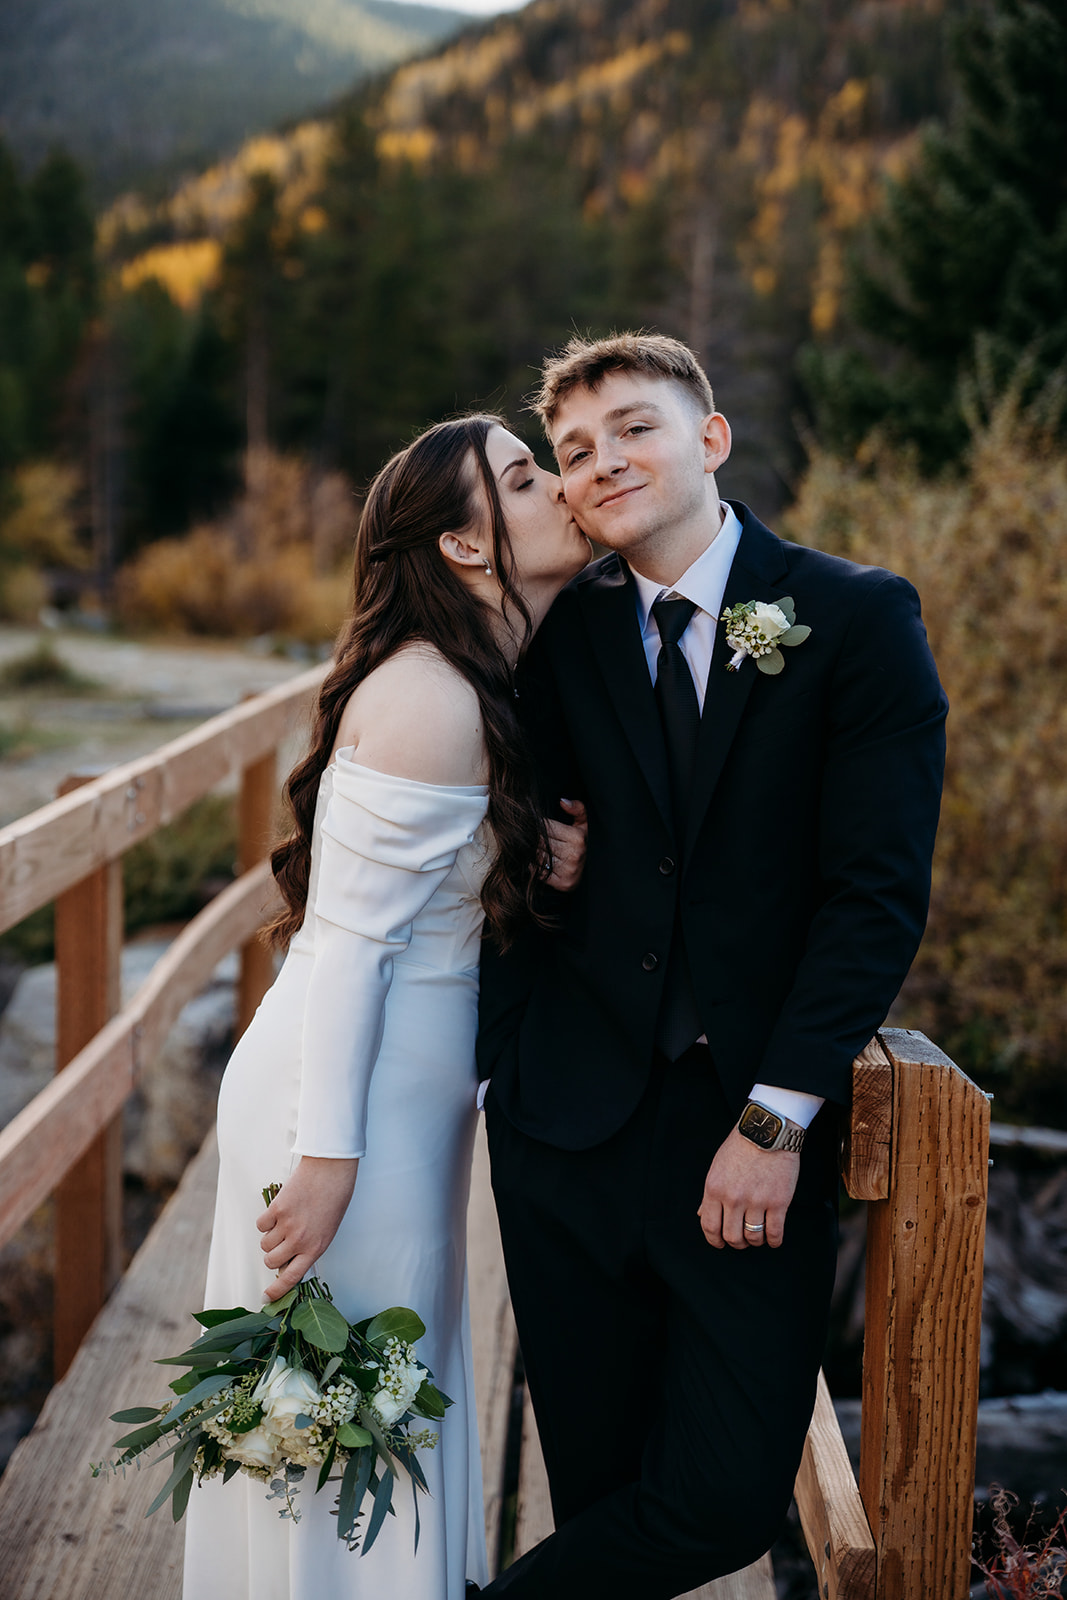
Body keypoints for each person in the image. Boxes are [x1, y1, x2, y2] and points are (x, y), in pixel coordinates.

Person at [475, 334, 948, 1598]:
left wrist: (775, 1116)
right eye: (573, 452)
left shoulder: (853, 616)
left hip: (738, 1131)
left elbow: (873, 895)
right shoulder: (554, 639)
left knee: (725, 1496)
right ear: (563, 495)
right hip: (559, 1129)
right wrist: (538, 877)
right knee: (597, 1492)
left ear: (710, 439)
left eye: (632, 427)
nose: (601, 461)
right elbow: (473, 833)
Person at [181, 414, 591, 1600]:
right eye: (524, 476)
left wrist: (547, 854)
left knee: (375, 1403)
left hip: (398, 1102)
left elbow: (434, 897)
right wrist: (326, 1156)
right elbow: (352, 948)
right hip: (343, 1106)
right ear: (466, 547)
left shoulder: (479, 675)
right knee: (330, 1417)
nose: (560, 485)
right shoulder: (427, 698)